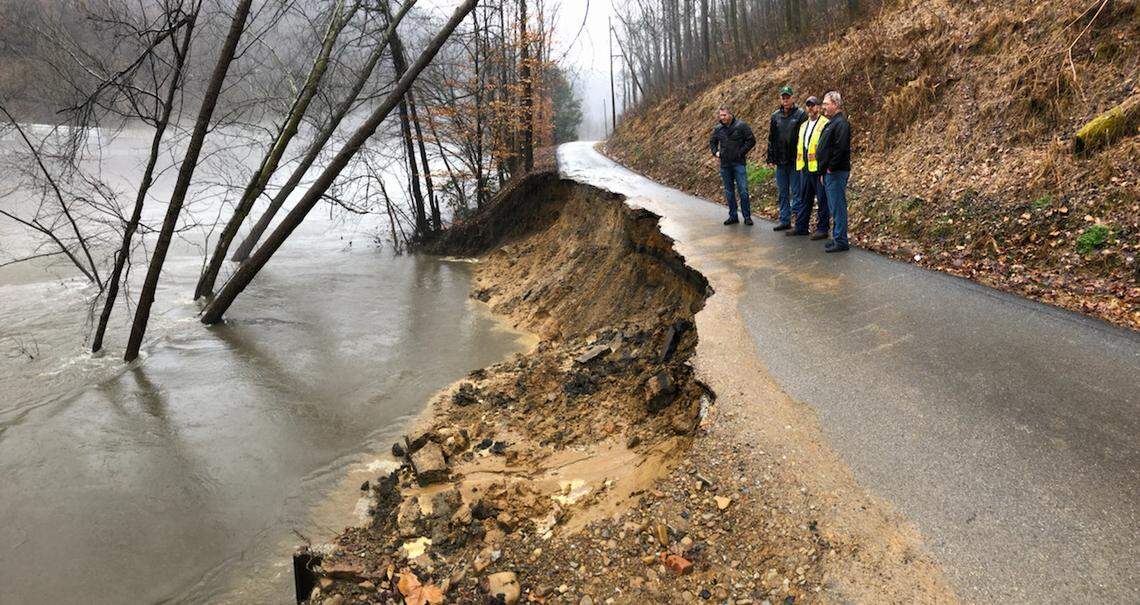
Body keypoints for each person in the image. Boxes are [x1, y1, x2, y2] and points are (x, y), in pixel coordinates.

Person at [787, 96, 829, 239]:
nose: (810, 108)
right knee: (805, 199)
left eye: (813, 105)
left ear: (818, 107)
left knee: (822, 199)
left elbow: (826, 147)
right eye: (808, 105)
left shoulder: (825, 123)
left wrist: (825, 166)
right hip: (805, 168)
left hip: (818, 168)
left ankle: (822, 229)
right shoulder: (804, 125)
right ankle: (801, 226)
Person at [765, 85, 806, 231]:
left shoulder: (801, 114)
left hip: (795, 160)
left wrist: (804, 158)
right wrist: (770, 158)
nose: (785, 100)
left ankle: (799, 222)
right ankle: (784, 220)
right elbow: (772, 138)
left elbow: (805, 137)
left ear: (792, 98)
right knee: (782, 193)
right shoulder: (775, 116)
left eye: (788, 97)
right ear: (780, 99)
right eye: (783, 97)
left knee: (797, 193)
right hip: (780, 161)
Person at [816, 91, 852, 252]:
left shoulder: (841, 124)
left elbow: (840, 148)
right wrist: (824, 172)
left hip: (836, 172)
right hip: (829, 173)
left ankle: (841, 241)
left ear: (835, 104)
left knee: (838, 206)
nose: (823, 106)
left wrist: (830, 168)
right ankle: (837, 237)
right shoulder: (831, 123)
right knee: (833, 206)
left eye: (826, 103)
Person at [709, 106, 757, 225]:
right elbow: (712, 142)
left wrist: (741, 152)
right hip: (725, 165)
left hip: (738, 164)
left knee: (743, 191)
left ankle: (747, 217)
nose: (722, 117)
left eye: (724, 115)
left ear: (730, 114)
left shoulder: (741, 126)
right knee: (729, 192)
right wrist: (716, 152)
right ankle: (733, 216)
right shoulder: (718, 129)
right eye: (721, 115)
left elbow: (751, 140)